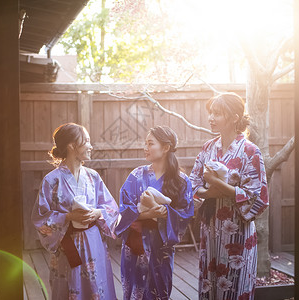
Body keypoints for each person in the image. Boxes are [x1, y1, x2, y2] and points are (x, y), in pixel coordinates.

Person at [189, 93, 269, 300]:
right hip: (210, 228)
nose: (211, 118)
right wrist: (208, 193)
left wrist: (216, 183)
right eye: (211, 113)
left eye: (217, 114)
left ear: (235, 117)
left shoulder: (251, 151)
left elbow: (257, 196)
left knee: (235, 284)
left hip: (237, 231)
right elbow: (192, 184)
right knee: (210, 283)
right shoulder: (208, 148)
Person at [31, 123, 119, 300]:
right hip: (67, 246)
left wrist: (98, 213)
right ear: (71, 145)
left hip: (95, 244)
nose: (90, 145)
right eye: (86, 141)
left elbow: (111, 208)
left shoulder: (93, 176)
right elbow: (40, 219)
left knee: (97, 287)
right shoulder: (52, 180)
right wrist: (68, 216)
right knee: (68, 288)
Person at [115, 125, 194, 300]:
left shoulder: (181, 180)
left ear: (165, 148)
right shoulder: (136, 175)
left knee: (160, 290)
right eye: (145, 143)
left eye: (150, 144)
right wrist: (151, 213)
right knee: (135, 291)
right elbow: (122, 210)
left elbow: (185, 214)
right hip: (135, 244)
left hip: (161, 247)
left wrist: (164, 212)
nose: (145, 148)